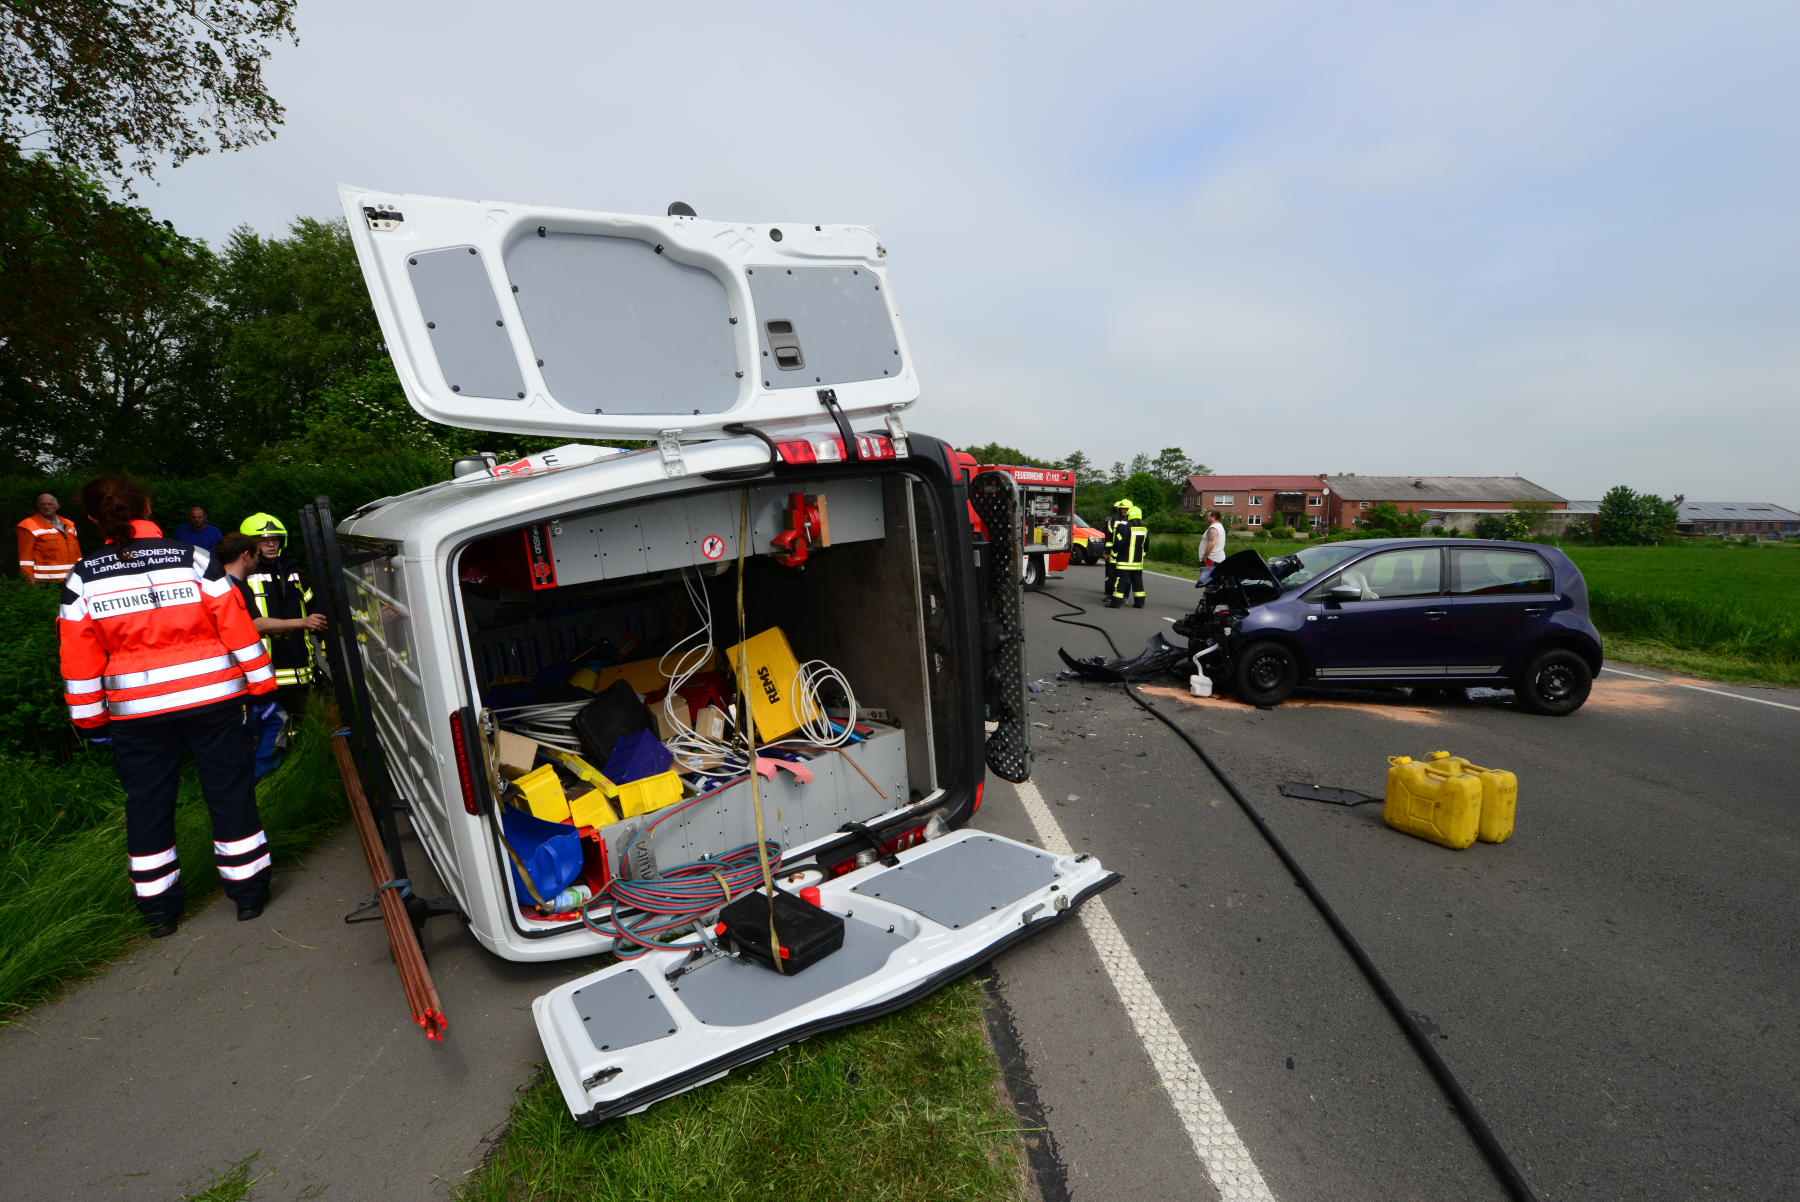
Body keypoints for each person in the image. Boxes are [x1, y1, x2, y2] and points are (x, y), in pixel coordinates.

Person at [58, 475, 278, 937]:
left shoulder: (83, 575)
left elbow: (79, 661)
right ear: (149, 506)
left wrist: (91, 722)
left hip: (138, 714)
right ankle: (249, 895)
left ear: (94, 519)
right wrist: (263, 691)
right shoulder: (194, 557)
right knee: (229, 790)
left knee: (148, 804)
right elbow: (237, 629)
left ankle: (159, 911)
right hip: (213, 700)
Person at [216, 532, 327, 779]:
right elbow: (256, 624)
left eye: (275, 540)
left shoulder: (218, 583)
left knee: (262, 724)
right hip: (245, 673)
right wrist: (303, 622)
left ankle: (254, 776)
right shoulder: (233, 587)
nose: (266, 549)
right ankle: (262, 778)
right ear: (246, 555)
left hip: (242, 674)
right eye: (257, 550)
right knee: (272, 722)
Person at [238, 513, 318, 694]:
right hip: (263, 671)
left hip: (301, 667)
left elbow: (314, 608)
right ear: (248, 544)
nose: (271, 544)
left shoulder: (293, 572)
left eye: (275, 539)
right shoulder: (244, 577)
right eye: (263, 540)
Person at [16, 492, 82, 585]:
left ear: (57, 506)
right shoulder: (28, 525)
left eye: (49, 504)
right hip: (45, 581)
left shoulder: (69, 523)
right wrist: (28, 576)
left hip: (73, 577)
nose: (46, 507)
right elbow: (25, 556)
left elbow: (77, 552)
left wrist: (82, 571)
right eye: (42, 504)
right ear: (38, 506)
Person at [1110, 504, 1148, 608]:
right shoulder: (1144, 530)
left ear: (1129, 515)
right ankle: (1140, 602)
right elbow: (1146, 547)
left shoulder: (1125, 527)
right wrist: (1140, 557)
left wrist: (1113, 555)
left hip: (1124, 562)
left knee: (1120, 582)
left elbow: (1119, 542)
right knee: (1138, 583)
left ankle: (1116, 603)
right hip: (1137, 563)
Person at [1103, 498, 1131, 602]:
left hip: (1125, 554)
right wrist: (1107, 551)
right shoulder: (1115, 520)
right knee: (1111, 576)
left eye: (1125, 509)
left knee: (1126, 578)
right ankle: (1110, 595)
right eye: (1121, 509)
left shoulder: (1131, 522)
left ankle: (1124, 597)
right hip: (1114, 553)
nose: (1123, 511)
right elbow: (1109, 536)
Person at [1198, 509, 1227, 583]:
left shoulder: (1213, 528)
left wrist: (1205, 557)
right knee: (1215, 580)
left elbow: (1211, 543)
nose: (1206, 518)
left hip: (1210, 560)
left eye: (1207, 516)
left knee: (1209, 581)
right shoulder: (1219, 526)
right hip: (1218, 558)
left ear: (1213, 517)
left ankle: (1210, 594)